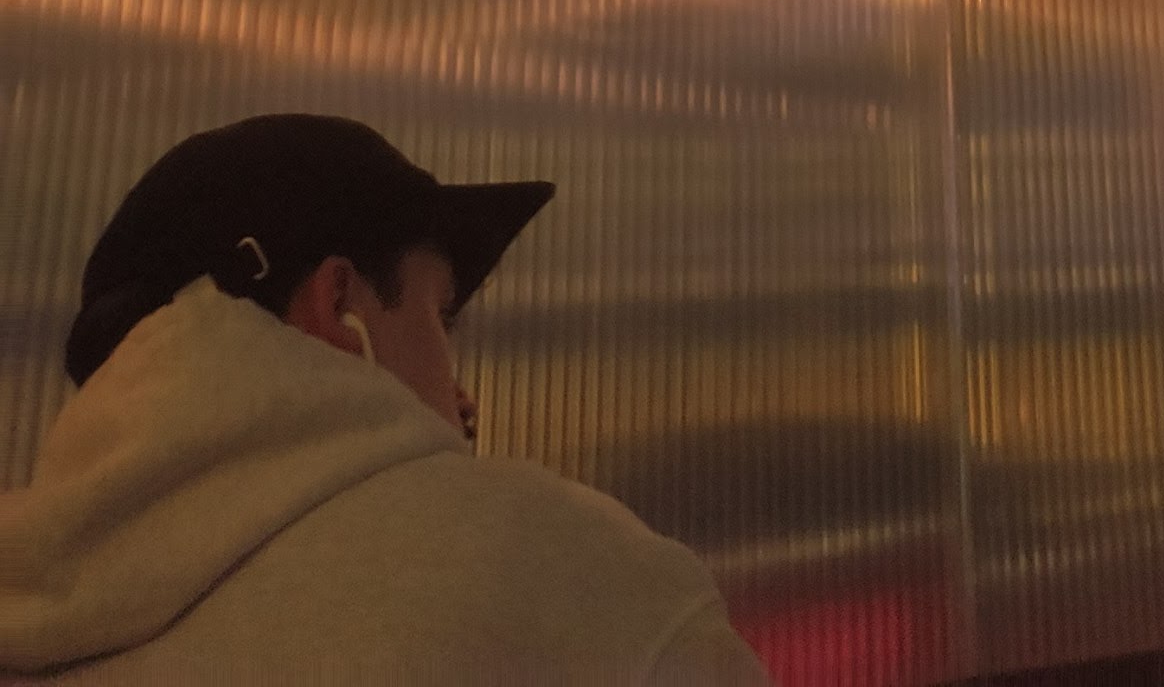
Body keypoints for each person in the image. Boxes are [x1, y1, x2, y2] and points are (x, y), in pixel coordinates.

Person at [0, 112, 765, 680]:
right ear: (338, 305)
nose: (463, 399)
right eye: (441, 316)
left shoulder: (27, 596)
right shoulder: (585, 581)